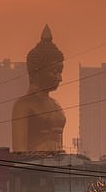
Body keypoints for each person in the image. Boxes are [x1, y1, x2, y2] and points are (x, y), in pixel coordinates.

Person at [11, 25, 66, 153]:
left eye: (60, 72)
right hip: (34, 169)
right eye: (54, 71)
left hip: (59, 165)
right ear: (36, 71)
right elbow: (20, 154)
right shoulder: (23, 106)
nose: (59, 78)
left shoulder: (56, 105)